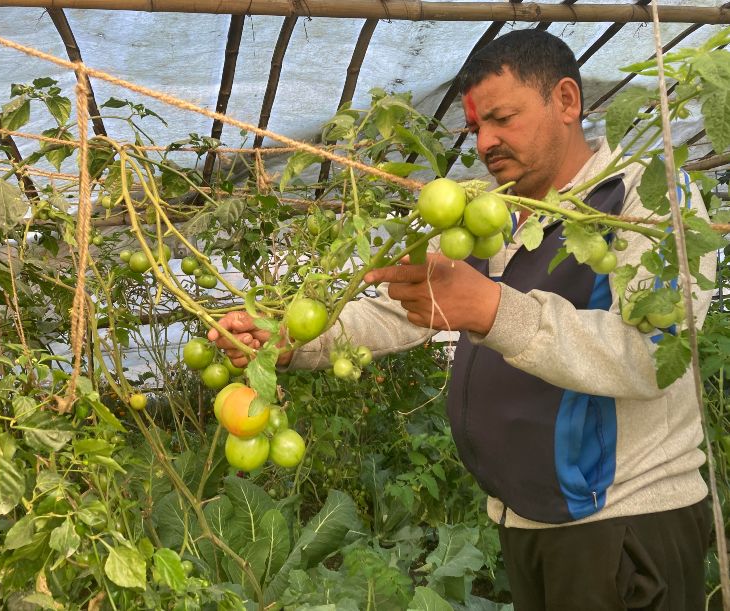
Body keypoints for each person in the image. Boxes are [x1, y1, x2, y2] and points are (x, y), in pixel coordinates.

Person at [208, 30, 716, 611]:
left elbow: (654, 356)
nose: (486, 142)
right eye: (476, 128)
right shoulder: (490, 210)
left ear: (568, 101)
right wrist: (294, 342)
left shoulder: (646, 196)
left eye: (502, 118)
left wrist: (494, 309)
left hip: (622, 523)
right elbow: (405, 306)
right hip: (527, 519)